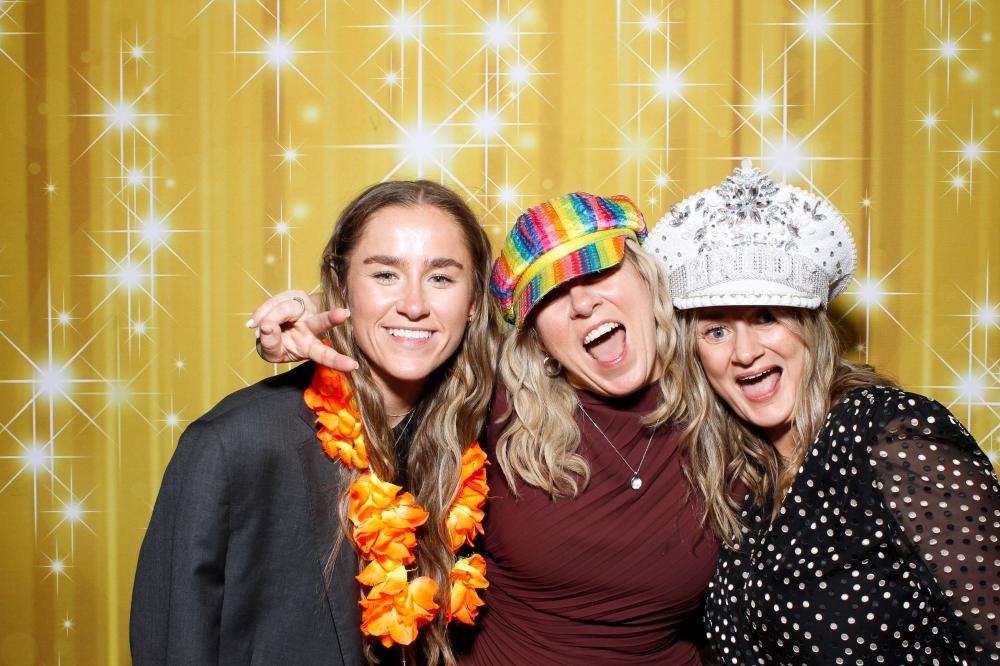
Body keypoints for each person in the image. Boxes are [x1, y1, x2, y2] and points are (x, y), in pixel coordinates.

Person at [256, 192, 729, 664]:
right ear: (536, 337)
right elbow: (405, 348)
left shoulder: (728, 400)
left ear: (648, 279)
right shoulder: (496, 404)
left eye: (599, 270)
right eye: (551, 293)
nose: (583, 303)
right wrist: (316, 309)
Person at [130, 180, 499, 666]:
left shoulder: (485, 434)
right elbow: (174, 642)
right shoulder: (234, 443)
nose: (413, 304)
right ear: (342, 287)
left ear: (474, 302)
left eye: (441, 278)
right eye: (385, 274)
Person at [646, 160, 1000, 664]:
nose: (744, 352)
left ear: (811, 327)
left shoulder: (892, 435)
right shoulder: (748, 477)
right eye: (716, 330)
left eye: (766, 317)